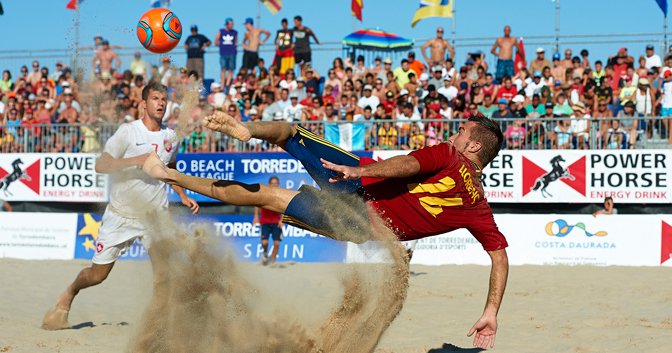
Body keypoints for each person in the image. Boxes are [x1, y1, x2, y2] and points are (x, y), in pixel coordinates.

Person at [144, 111, 509, 350]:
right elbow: (499, 257)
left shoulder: (449, 154)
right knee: (269, 198)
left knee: (288, 132)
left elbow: (407, 163)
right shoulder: (478, 206)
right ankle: (171, 175)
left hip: (353, 180)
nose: (456, 134)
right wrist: (491, 310)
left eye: (462, 132)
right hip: (357, 224)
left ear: (473, 145)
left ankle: (247, 131)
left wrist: (360, 172)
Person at [41, 81, 199, 331]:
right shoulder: (128, 132)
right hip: (121, 215)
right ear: (144, 103)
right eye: (156, 99)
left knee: (164, 274)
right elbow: (101, 165)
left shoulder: (170, 136)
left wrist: (181, 193)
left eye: (163, 99)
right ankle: (70, 293)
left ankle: (158, 329)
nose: (161, 103)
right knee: (97, 276)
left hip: (154, 215)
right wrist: (138, 160)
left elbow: (171, 167)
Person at [253, 176, 284, 265]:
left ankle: (272, 262)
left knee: (277, 243)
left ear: (278, 184)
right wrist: (255, 217)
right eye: (273, 183)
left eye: (276, 183)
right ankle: (265, 253)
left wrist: (282, 220)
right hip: (265, 221)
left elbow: (284, 208)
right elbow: (256, 204)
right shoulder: (264, 194)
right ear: (269, 184)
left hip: (276, 222)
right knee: (264, 242)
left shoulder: (281, 195)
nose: (274, 185)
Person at [216, 18, 238, 89]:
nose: (232, 25)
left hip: (232, 53)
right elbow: (216, 41)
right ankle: (222, 85)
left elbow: (236, 42)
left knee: (231, 69)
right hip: (223, 52)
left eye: (232, 24)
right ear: (227, 24)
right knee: (223, 69)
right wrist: (222, 45)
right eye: (230, 24)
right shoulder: (221, 31)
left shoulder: (235, 32)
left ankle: (227, 85)